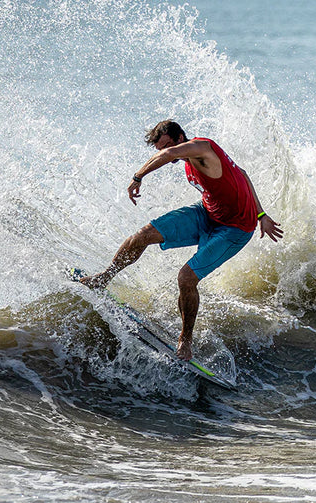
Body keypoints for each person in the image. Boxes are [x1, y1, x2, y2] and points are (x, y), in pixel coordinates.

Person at [80, 120, 283, 360]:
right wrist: (262, 213)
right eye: (160, 148)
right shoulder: (189, 161)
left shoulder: (202, 148)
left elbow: (171, 154)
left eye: (166, 146)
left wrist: (138, 176)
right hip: (207, 213)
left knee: (186, 278)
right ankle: (103, 278)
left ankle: (185, 342)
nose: (164, 153)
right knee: (142, 236)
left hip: (235, 229)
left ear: (179, 137)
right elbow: (244, 175)